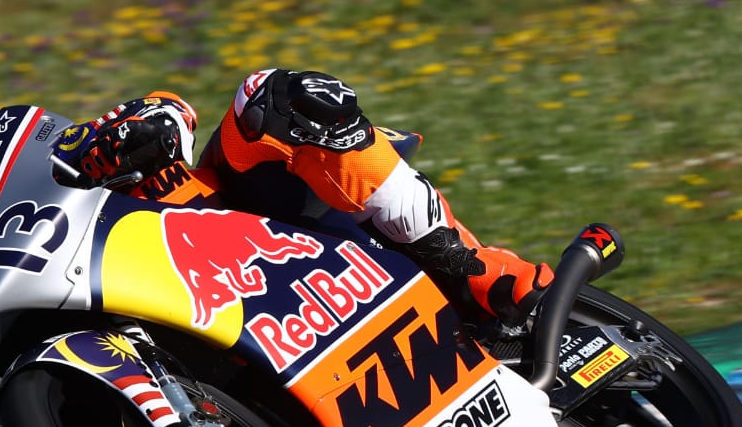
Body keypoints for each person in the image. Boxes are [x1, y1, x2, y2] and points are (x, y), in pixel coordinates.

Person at [71, 69, 554, 327]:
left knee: (277, 99)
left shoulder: (68, 169)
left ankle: (475, 271)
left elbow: (166, 111)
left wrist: (123, 141)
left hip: (256, 229)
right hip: (185, 317)